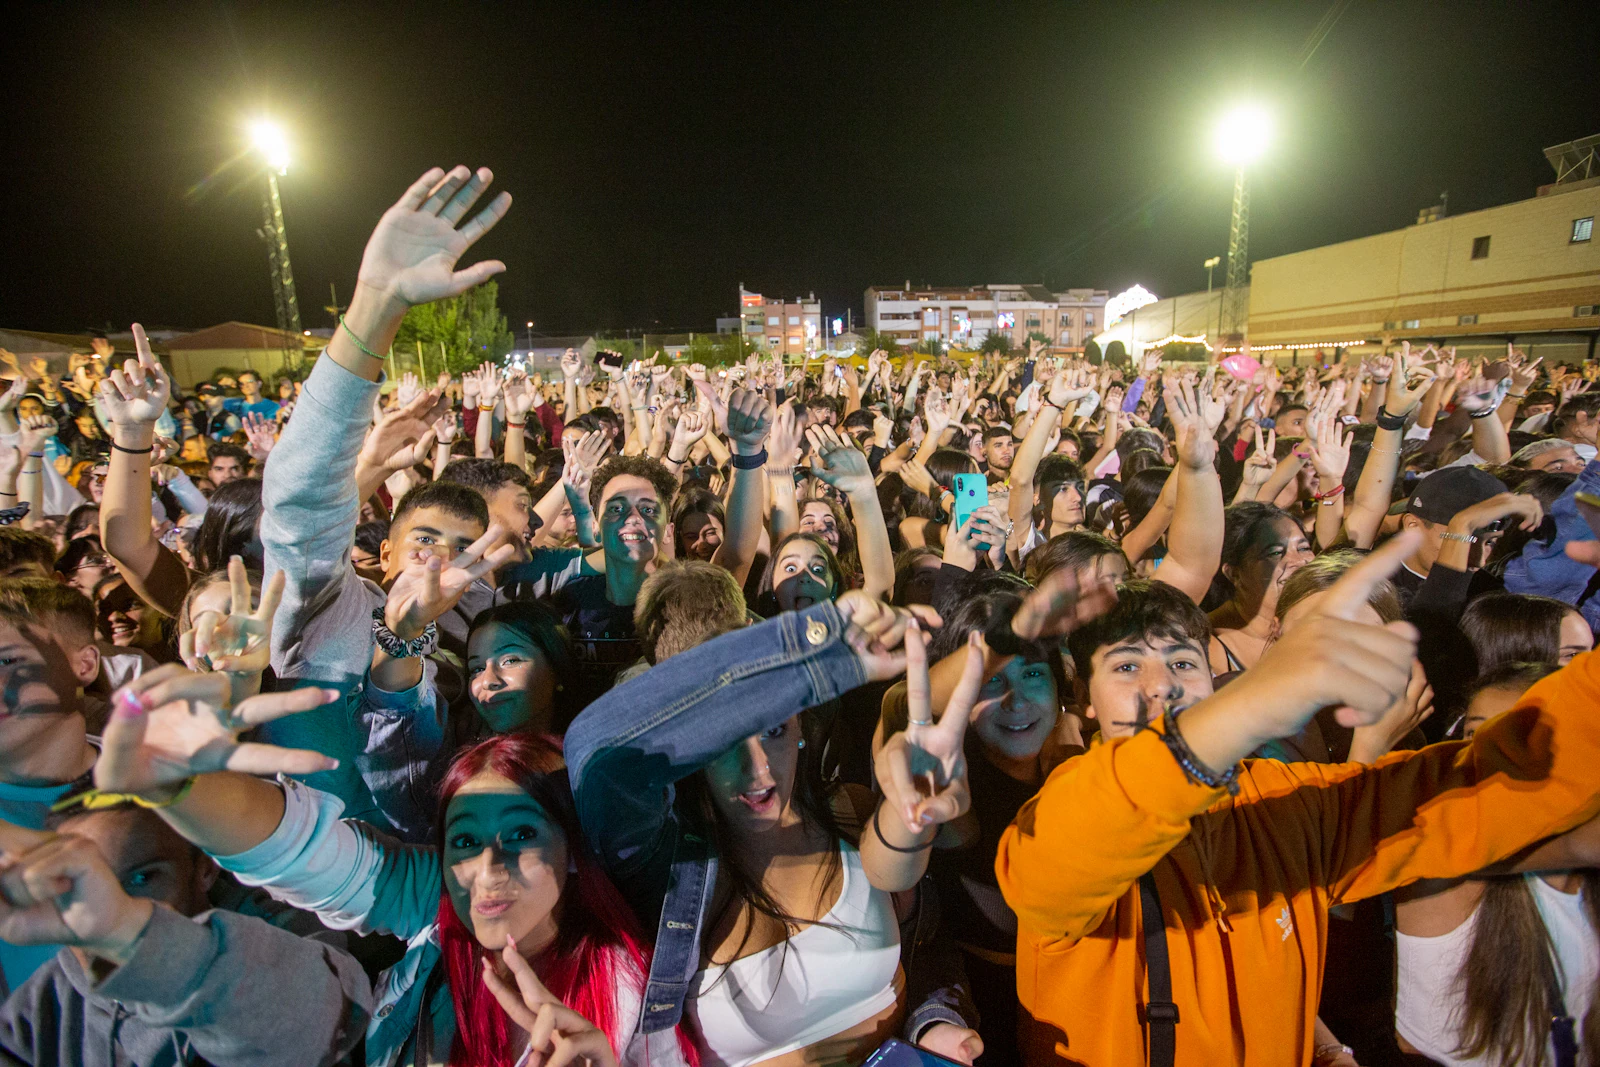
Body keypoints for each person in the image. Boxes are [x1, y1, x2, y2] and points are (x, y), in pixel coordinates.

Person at [996, 533, 1600, 1066]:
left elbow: (1498, 781)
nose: (1162, 686)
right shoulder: (1052, 823)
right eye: (1126, 667)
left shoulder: (1291, 801)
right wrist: (1259, 699)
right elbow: (1100, 821)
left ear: (1211, 676)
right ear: (1086, 700)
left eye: (1182, 661)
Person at [87, 660, 688, 1067]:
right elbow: (307, 853)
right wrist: (175, 785)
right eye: (464, 840)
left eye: (522, 833)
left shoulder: (640, 993)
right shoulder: (439, 913)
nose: (487, 869)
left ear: (574, 851)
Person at [566, 593, 983, 1066]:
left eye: (774, 732)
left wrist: (935, 1023)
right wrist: (813, 645)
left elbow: (925, 944)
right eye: (726, 743)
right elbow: (598, 757)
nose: (758, 770)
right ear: (692, 753)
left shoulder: (849, 810)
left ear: (802, 728)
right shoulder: (667, 871)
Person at [0, 802, 372, 1067]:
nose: (109, 905)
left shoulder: (291, 938)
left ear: (204, 869)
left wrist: (138, 941)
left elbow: (322, 1034)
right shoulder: (46, 1001)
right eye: (82, 886)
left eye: (142, 878)